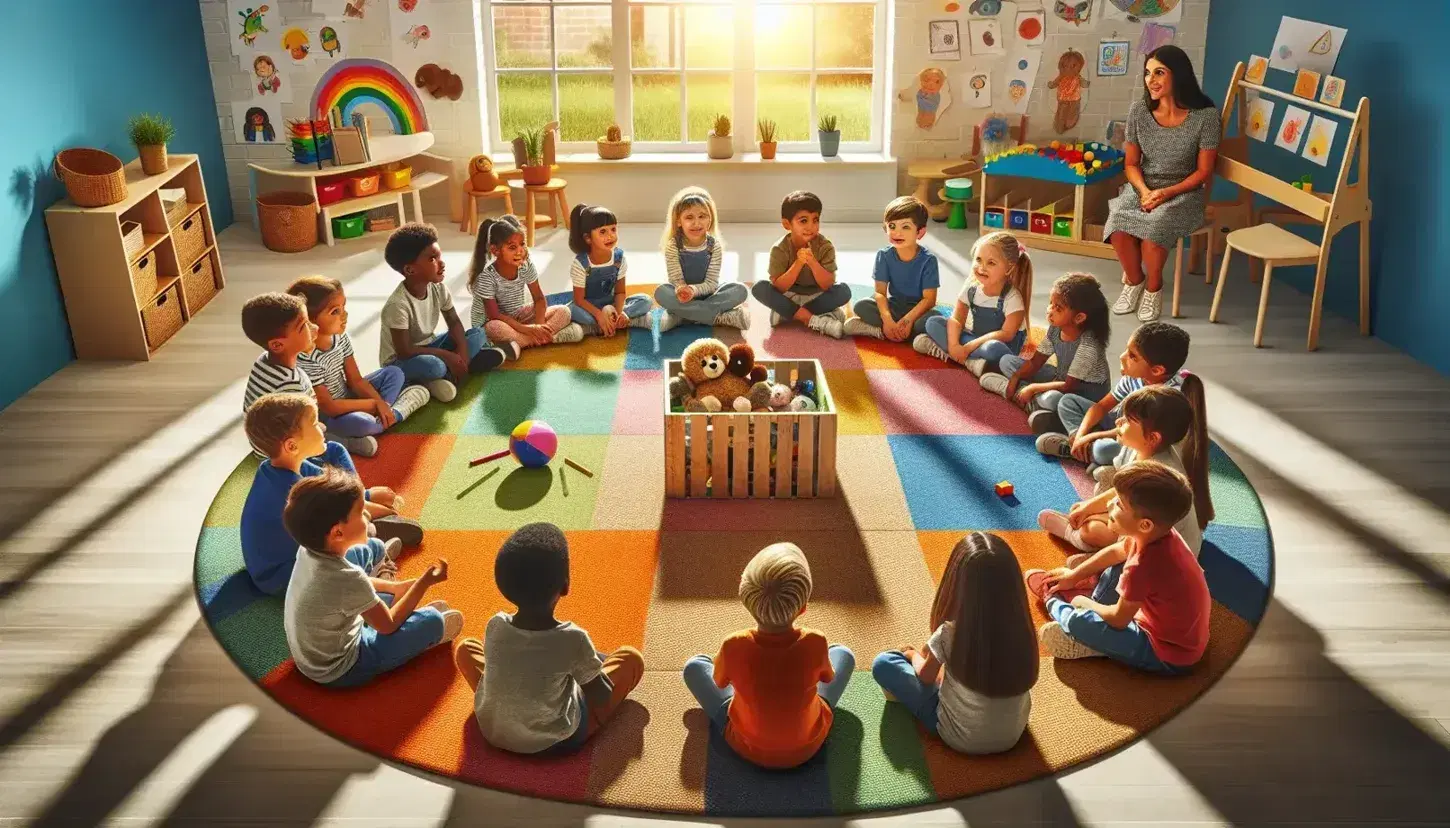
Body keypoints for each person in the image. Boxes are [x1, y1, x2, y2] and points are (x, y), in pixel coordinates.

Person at [454, 523, 645, 754]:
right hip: (557, 741)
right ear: (565, 585)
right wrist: (585, 669)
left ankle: (508, 710)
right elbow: (601, 695)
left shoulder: (496, 625)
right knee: (631, 659)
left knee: (466, 649)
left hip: (493, 731)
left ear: (502, 585)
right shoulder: (573, 639)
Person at [1025, 461, 1211, 674]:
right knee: (1116, 566)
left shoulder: (1143, 566)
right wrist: (1074, 576)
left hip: (1168, 654)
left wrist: (1083, 602)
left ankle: (1053, 601)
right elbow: (1117, 551)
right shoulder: (1158, 535)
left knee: (1079, 621)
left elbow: (1119, 619)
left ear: (1145, 524)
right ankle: (1090, 598)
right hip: (1168, 624)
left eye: (1120, 504)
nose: (1111, 503)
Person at [282, 467, 461, 687]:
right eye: (360, 512)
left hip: (316, 647)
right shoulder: (347, 579)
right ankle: (429, 631)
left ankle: (382, 582)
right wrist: (424, 583)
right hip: (340, 668)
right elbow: (387, 625)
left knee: (370, 547)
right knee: (433, 620)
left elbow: (349, 585)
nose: (367, 514)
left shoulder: (307, 549)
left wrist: (395, 588)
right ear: (338, 532)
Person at [682, 542, 855, 769]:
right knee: (844, 654)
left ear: (745, 598)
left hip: (745, 745)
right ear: (803, 607)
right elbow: (828, 678)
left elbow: (719, 681)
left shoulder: (733, 644)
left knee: (694, 667)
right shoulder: (815, 641)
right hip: (809, 746)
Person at [871, 533, 1037, 754]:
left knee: (884, 662)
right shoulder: (1022, 628)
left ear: (955, 586)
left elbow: (925, 676)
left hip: (958, 737)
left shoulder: (950, 633)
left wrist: (912, 655)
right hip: (1012, 736)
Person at [239, 392, 420, 595]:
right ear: (291, 445)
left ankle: (372, 543)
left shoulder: (281, 466)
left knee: (363, 531)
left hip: (294, 551)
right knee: (354, 548)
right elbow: (337, 525)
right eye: (316, 424)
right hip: (282, 576)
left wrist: (371, 502)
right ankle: (375, 568)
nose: (323, 427)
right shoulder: (295, 494)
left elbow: (338, 494)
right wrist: (376, 513)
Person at [1103, 44, 1221, 323]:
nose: (1151, 80)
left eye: (1159, 73)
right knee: (1117, 220)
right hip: (1143, 185)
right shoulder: (1139, 111)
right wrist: (1145, 191)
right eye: (1147, 73)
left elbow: (1204, 172)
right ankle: (1134, 282)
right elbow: (1131, 164)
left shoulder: (1206, 116)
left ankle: (1154, 290)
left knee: (1155, 228)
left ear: (1177, 75)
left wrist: (1165, 193)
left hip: (1185, 191)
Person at [1037, 384, 1213, 556]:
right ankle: (1089, 545)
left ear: (1153, 437)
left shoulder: (1156, 475)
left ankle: (1079, 541)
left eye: (1128, 420)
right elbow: (1121, 492)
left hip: (1163, 554)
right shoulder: (1137, 449)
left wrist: (1093, 516)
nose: (1118, 422)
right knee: (1086, 511)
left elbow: (1137, 532)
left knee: (1090, 530)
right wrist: (1088, 508)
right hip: (1144, 526)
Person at [288, 276, 430, 458]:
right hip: (330, 416)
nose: (344, 315)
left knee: (395, 373)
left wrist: (380, 403)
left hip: (348, 396)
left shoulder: (340, 338)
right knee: (364, 424)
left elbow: (356, 380)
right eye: (335, 312)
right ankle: (400, 410)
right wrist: (374, 404)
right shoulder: (306, 357)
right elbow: (329, 407)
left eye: (344, 307)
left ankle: (385, 415)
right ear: (310, 321)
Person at [378, 223, 510, 404]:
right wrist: (449, 356)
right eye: (432, 259)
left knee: (478, 334)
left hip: (430, 345)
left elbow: (454, 322)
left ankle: (450, 373)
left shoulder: (438, 288)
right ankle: (449, 372)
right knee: (434, 366)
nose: (442, 263)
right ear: (410, 270)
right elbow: (404, 351)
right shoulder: (397, 305)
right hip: (400, 362)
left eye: (439, 256)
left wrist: (462, 352)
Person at [1036, 321, 1191, 465]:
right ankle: (1080, 445)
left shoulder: (1168, 398)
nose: (1122, 357)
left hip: (1135, 438)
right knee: (1067, 402)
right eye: (1127, 350)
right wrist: (1080, 434)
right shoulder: (1134, 378)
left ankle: (1083, 452)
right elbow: (1101, 407)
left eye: (1132, 356)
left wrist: (1090, 436)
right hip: (1119, 423)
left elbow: (1137, 436)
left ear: (1157, 370)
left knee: (1103, 450)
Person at [982, 273, 1111, 424]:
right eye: (1051, 303)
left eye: (1058, 308)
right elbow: (1036, 362)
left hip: (1081, 395)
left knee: (1052, 399)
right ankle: (1029, 400)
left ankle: (1022, 394)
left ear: (1079, 318)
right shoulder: (1055, 329)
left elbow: (1069, 386)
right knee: (1007, 361)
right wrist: (1017, 376)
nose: (1050, 310)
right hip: (1059, 378)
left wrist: (1033, 388)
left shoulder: (1089, 345)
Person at [913, 230, 1033, 376]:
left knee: (993, 349)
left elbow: (1006, 335)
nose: (982, 267)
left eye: (991, 263)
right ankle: (970, 362)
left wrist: (969, 347)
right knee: (933, 323)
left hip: (996, 347)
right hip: (973, 340)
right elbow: (956, 319)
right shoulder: (971, 290)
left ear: (1009, 268)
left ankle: (950, 353)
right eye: (978, 260)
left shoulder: (1012, 298)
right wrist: (954, 345)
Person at [467, 215, 584, 349]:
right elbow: (495, 316)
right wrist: (529, 329)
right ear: (495, 251)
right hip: (494, 323)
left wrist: (539, 326)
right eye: (512, 247)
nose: (520, 251)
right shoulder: (486, 278)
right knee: (494, 328)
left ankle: (524, 342)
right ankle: (549, 338)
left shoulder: (525, 266)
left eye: (522, 244)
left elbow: (539, 299)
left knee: (564, 311)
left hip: (518, 317)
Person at [751, 191, 852, 339]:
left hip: (816, 295)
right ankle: (813, 319)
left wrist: (812, 262)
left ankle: (789, 313)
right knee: (760, 287)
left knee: (843, 291)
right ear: (787, 224)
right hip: (789, 294)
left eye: (815, 220)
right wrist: (798, 263)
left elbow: (828, 284)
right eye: (803, 221)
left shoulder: (825, 246)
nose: (811, 226)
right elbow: (779, 287)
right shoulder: (779, 249)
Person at [844, 196, 943, 343]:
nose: (897, 232)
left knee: (932, 321)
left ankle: (881, 332)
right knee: (862, 306)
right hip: (894, 306)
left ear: (920, 232)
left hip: (918, 311)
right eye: (892, 226)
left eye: (905, 227)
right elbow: (880, 293)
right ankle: (898, 333)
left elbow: (929, 300)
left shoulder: (928, 260)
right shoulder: (884, 255)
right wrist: (887, 320)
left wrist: (907, 321)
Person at [654, 186, 750, 331]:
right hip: (682, 297)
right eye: (689, 217)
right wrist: (682, 289)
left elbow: (711, 283)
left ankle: (682, 316)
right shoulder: (674, 245)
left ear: (710, 219)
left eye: (702, 216)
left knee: (740, 290)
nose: (696, 223)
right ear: (679, 221)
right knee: (661, 292)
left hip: (708, 296)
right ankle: (718, 318)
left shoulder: (714, 246)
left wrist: (693, 290)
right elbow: (676, 279)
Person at [567, 203, 654, 336]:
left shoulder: (619, 259)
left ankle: (604, 325)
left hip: (611, 303)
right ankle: (618, 323)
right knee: (570, 310)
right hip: (589, 308)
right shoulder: (581, 264)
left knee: (646, 300)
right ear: (588, 238)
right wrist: (599, 315)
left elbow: (620, 292)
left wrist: (619, 313)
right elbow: (579, 300)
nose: (610, 236)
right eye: (602, 231)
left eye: (613, 229)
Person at [241, 292, 317, 415]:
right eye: (304, 326)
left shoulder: (263, 360)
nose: (314, 327)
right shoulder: (290, 384)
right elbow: (300, 427)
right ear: (277, 345)